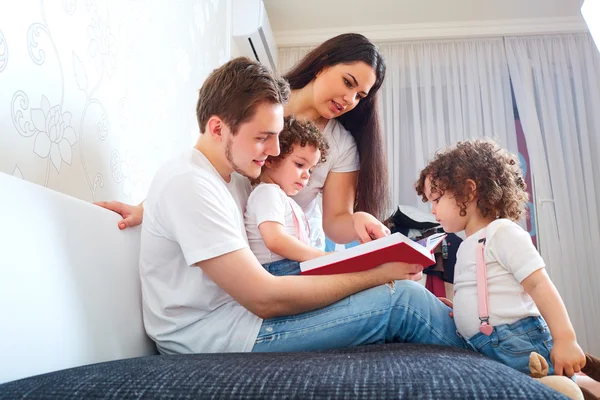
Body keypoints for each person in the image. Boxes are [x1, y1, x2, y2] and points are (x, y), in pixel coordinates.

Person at [123, 56, 467, 355]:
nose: (274, 151)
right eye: (262, 137)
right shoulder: (189, 184)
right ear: (217, 128)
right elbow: (264, 297)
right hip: (215, 334)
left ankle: (477, 334)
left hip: (238, 315)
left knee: (399, 289)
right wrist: (375, 275)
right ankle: (503, 358)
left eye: (275, 136)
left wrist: (147, 207)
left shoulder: (235, 178)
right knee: (402, 304)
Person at [96, 33, 392, 249]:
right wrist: (146, 209)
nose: (349, 99)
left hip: (294, 246)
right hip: (235, 234)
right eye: (348, 83)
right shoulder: (261, 105)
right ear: (323, 65)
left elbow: (335, 221)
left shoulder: (342, 146)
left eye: (360, 96)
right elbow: (206, 161)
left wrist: (357, 220)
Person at [415, 138, 600, 381]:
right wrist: (462, 309)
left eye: (437, 199)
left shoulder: (502, 231)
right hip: (484, 345)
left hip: (518, 342)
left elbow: (539, 284)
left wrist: (565, 340)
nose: (432, 210)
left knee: (551, 388)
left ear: (469, 191)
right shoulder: (466, 245)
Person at [245, 116, 329, 278]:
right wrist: (321, 257)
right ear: (271, 159)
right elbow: (275, 240)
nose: (306, 175)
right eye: (299, 164)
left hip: (289, 267)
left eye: (310, 170)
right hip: (277, 269)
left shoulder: (281, 197)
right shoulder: (267, 193)